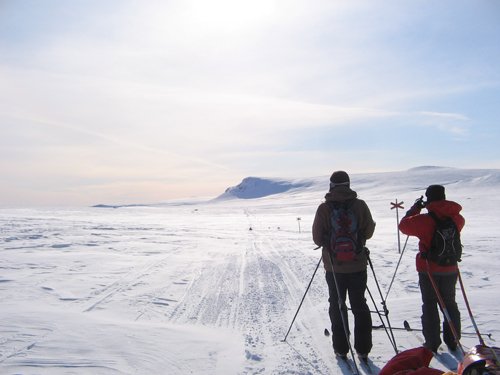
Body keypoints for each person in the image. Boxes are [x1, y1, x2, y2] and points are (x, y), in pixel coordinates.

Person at [312, 170, 376, 358]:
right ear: (348, 184)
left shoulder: (324, 209)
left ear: (331, 186)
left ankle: (341, 348)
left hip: (334, 267)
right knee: (360, 304)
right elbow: (369, 232)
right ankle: (363, 349)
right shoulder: (360, 205)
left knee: (337, 304)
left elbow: (317, 238)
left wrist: (328, 241)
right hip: (357, 265)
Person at [399, 185, 465, 353]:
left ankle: (432, 342)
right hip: (450, 268)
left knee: (429, 304)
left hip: (428, 269)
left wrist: (416, 208)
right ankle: (453, 339)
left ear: (429, 199)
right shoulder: (457, 219)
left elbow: (404, 226)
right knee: (449, 302)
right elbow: (459, 223)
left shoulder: (425, 220)